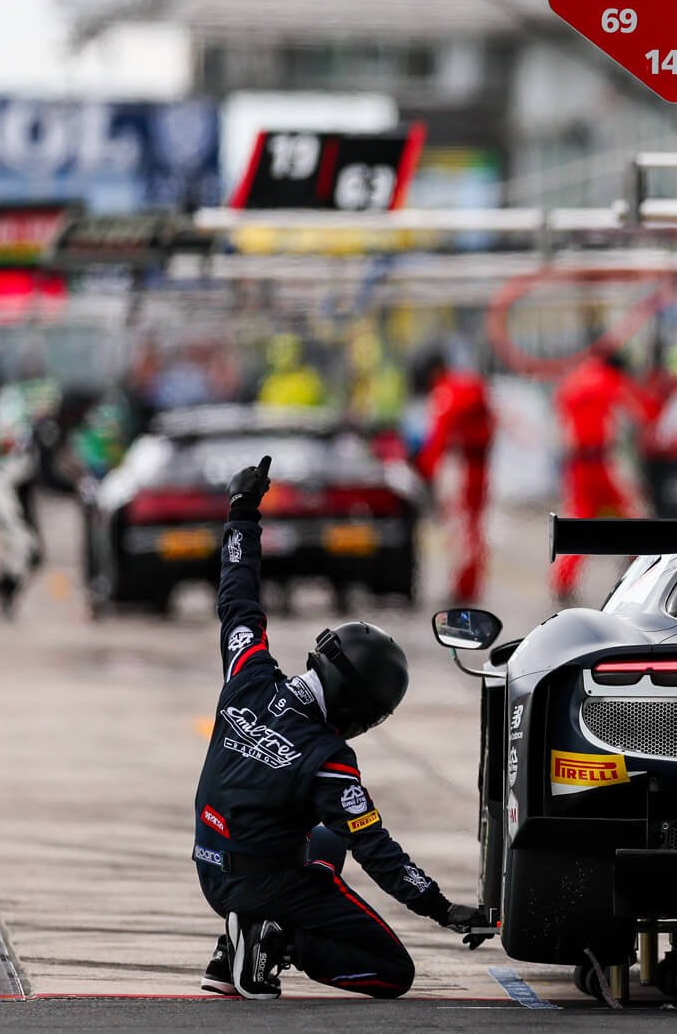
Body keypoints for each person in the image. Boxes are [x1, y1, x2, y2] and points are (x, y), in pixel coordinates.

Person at [194, 455, 489, 1000]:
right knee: (391, 972)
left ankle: (230, 947)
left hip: (210, 860)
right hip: (261, 882)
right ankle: (271, 941)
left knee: (327, 838)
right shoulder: (328, 758)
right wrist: (442, 909)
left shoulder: (249, 672)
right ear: (359, 708)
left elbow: (238, 598)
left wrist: (241, 511)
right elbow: (378, 850)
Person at [0, 358, 69, 618]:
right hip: (0, 489)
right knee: (24, 549)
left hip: (18, 490)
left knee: (33, 554)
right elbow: (1, 440)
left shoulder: (42, 432)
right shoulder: (12, 408)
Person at [551, 346, 657, 600]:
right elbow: (644, 410)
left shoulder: (574, 381)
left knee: (580, 524)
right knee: (628, 519)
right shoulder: (610, 380)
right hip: (601, 463)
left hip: (576, 465)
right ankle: (644, 573)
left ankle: (562, 582)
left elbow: (561, 414)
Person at [412, 351, 495, 604]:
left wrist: (423, 469)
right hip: (477, 467)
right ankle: (468, 584)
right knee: (472, 529)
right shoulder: (470, 386)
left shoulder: (446, 393)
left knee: (461, 530)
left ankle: (463, 587)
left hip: (459, 469)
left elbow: (439, 436)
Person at [256, 334, 327, 409]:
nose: (278, 354)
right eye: (276, 350)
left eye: (285, 349)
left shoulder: (309, 382)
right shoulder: (269, 384)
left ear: (298, 352)